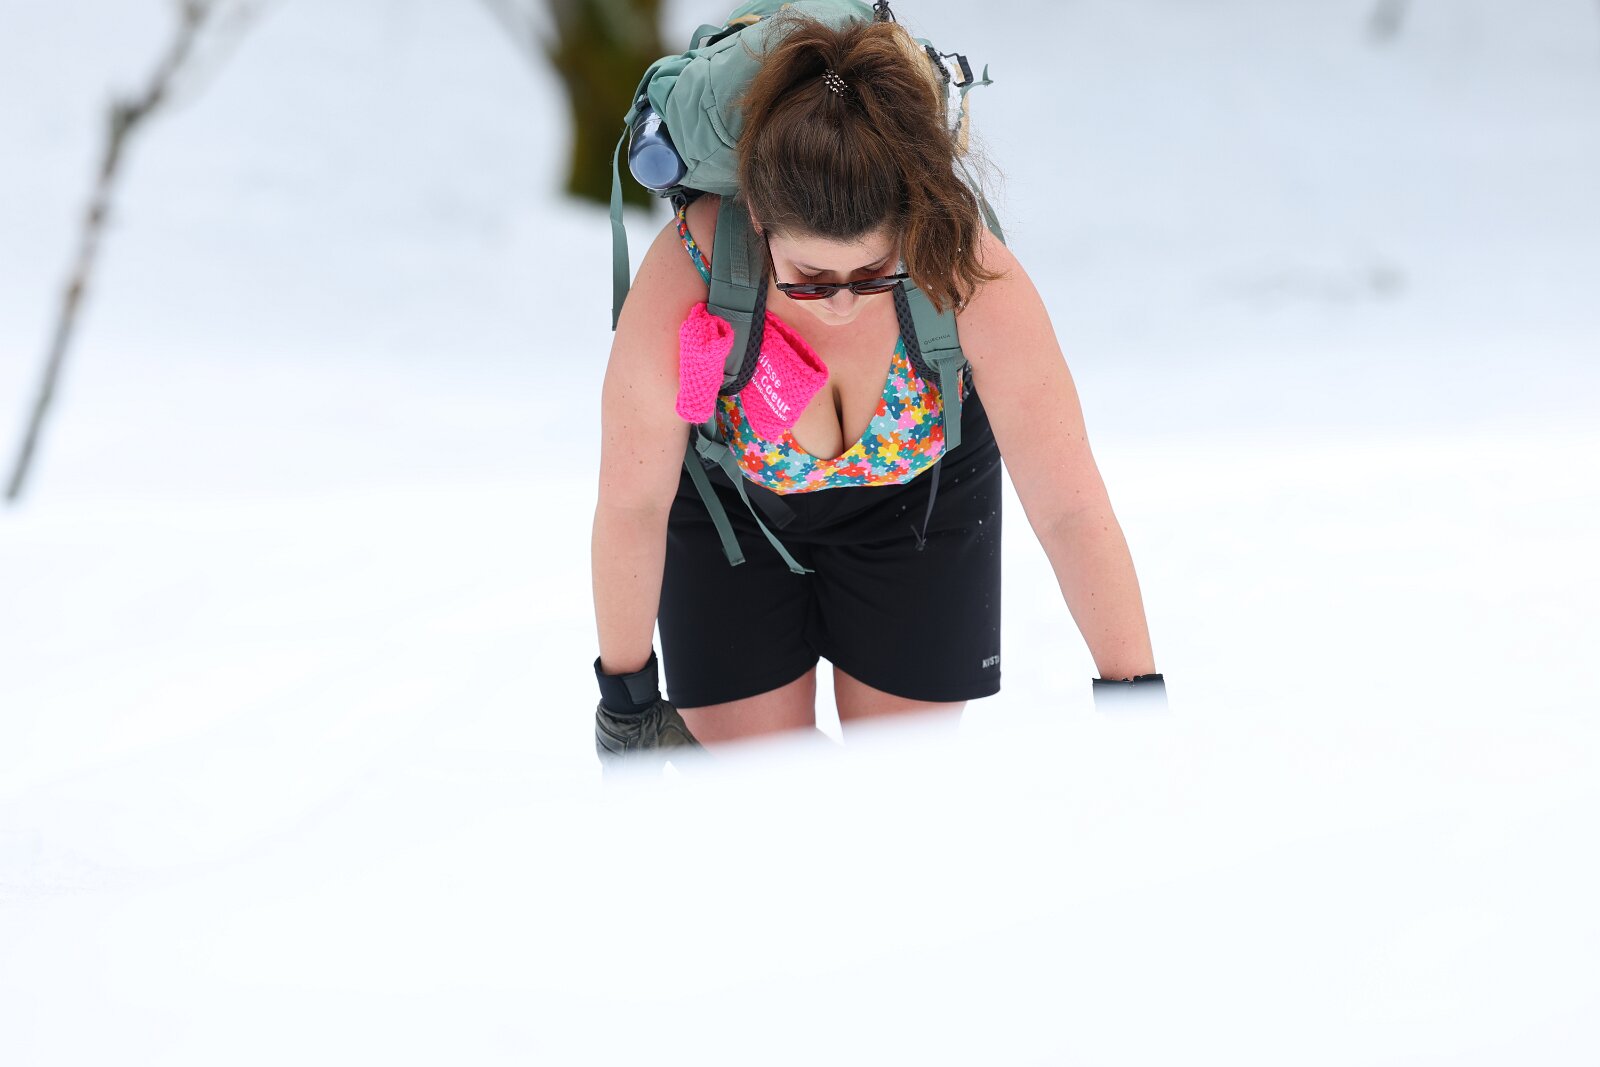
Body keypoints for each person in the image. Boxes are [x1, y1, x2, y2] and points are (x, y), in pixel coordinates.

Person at [591, 11, 1160, 760]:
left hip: (918, 508)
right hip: (733, 514)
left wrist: (1135, 701)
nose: (840, 302)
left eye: (871, 272)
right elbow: (632, 503)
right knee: (757, 789)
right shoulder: (693, 268)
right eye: (809, 277)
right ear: (758, 217)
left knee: (896, 788)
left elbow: (1070, 507)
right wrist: (627, 702)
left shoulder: (963, 270)